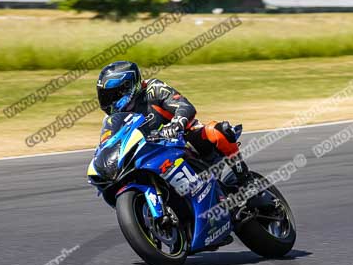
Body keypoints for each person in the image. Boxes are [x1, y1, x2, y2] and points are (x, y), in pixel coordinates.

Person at [95, 60, 250, 184]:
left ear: (127, 88)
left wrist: (176, 124)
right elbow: (108, 143)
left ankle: (245, 181)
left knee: (217, 130)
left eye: (112, 96)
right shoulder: (113, 120)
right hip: (151, 156)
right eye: (105, 97)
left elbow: (184, 106)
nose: (108, 102)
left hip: (184, 141)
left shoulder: (153, 89)